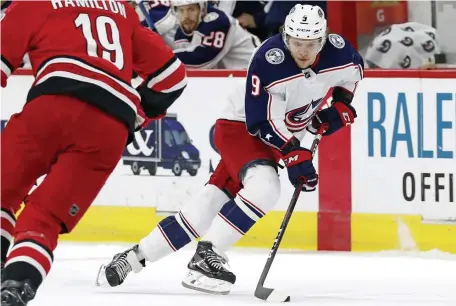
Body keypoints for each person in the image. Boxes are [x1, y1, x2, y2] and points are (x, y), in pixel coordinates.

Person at [96, 4, 363, 295]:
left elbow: (353, 74)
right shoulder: (268, 59)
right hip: (241, 127)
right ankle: (207, 257)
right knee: (265, 188)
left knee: (209, 203)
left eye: (310, 44)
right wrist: (294, 152)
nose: (302, 51)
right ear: (286, 37)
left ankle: (134, 257)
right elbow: (260, 123)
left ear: (322, 41)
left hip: (282, 133)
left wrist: (340, 104)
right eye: (297, 43)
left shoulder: (339, 52)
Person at [0, 0, 187, 305]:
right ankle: (17, 283)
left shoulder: (34, 3)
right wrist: (135, 117)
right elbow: (173, 77)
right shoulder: (122, 10)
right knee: (43, 218)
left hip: (51, 107)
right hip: (110, 126)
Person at [170, 0, 261, 69]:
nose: (186, 16)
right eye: (181, 10)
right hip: (230, 76)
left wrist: (162, 58)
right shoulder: (182, 30)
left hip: (253, 69)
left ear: (202, 9)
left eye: (191, 9)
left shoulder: (219, 22)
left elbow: (202, 61)